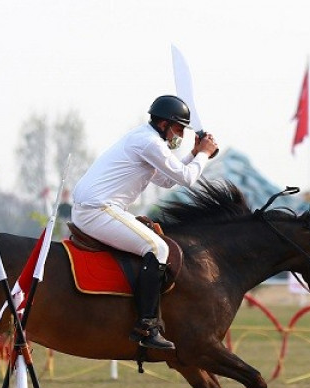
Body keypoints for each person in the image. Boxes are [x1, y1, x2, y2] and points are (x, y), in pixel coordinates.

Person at [70, 95, 219, 350]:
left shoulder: (146, 139)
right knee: (158, 248)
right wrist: (204, 155)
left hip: (96, 208)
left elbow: (167, 180)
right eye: (179, 128)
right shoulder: (150, 143)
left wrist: (195, 154)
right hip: (98, 210)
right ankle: (146, 326)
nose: (181, 135)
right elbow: (187, 179)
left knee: (155, 244)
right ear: (164, 124)